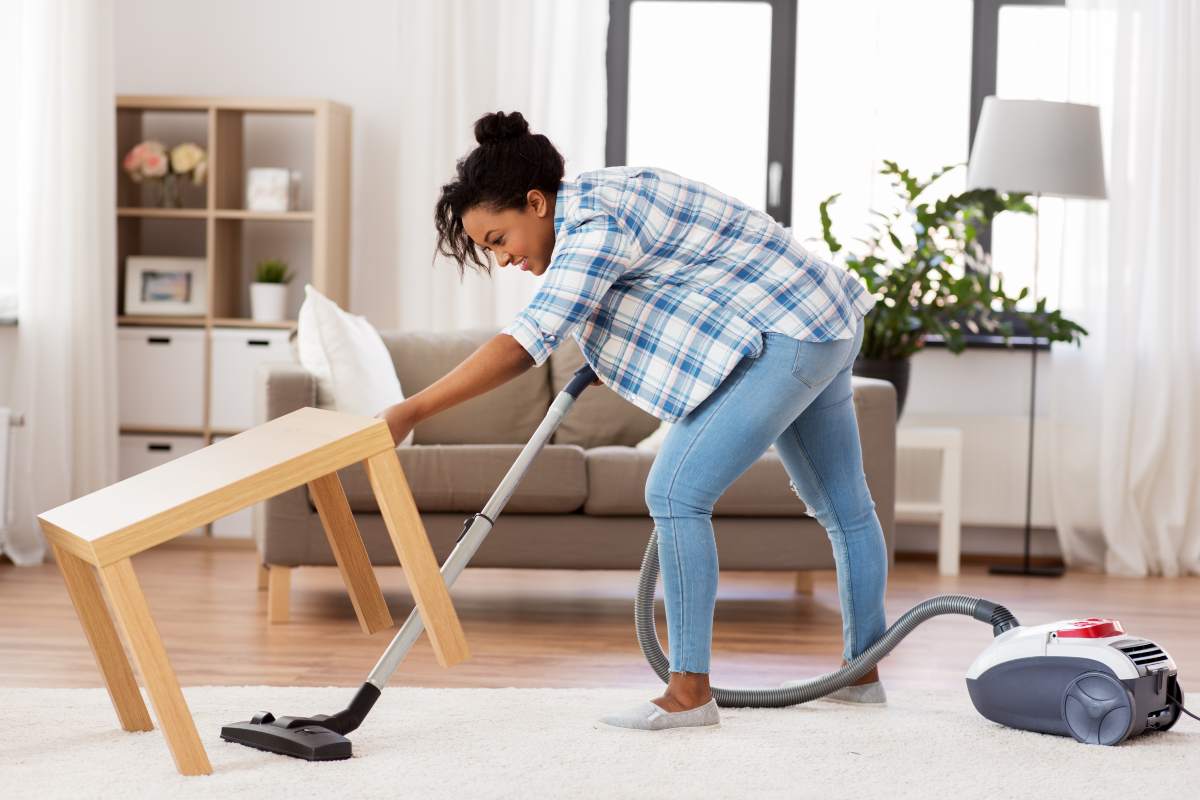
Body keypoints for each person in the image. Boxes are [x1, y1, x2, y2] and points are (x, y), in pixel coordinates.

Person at [377, 110, 889, 731]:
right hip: (824, 315)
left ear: (535, 202)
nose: (503, 259)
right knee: (845, 508)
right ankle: (862, 675)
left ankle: (689, 694)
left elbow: (524, 343)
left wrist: (409, 410)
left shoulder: (593, 226)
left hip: (789, 333)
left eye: (498, 239)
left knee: (674, 490)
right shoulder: (605, 194)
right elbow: (678, 280)